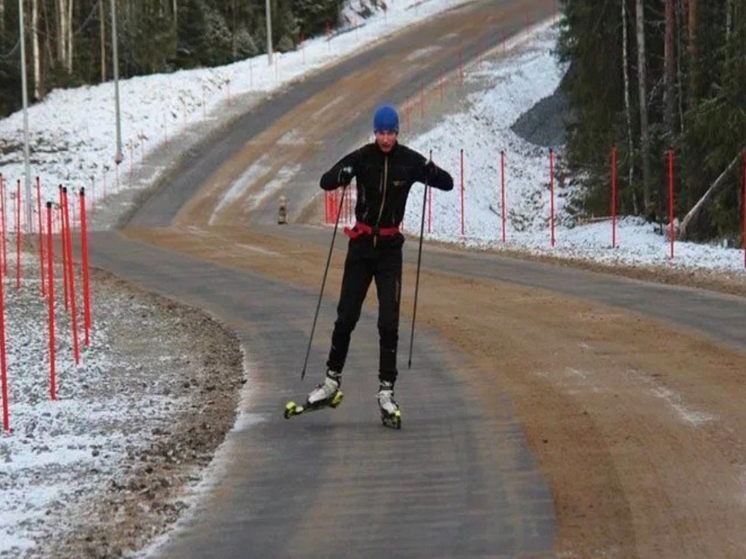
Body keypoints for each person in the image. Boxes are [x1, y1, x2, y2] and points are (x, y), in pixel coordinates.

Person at [305, 104, 453, 428]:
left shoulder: (409, 160)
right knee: (346, 315)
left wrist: (431, 172)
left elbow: (448, 183)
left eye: (391, 132)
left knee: (389, 321)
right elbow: (325, 181)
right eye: (381, 132)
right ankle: (331, 381)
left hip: (389, 250)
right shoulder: (362, 156)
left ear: (398, 133)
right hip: (360, 247)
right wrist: (342, 176)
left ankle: (387, 392)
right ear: (375, 132)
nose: (386, 138)